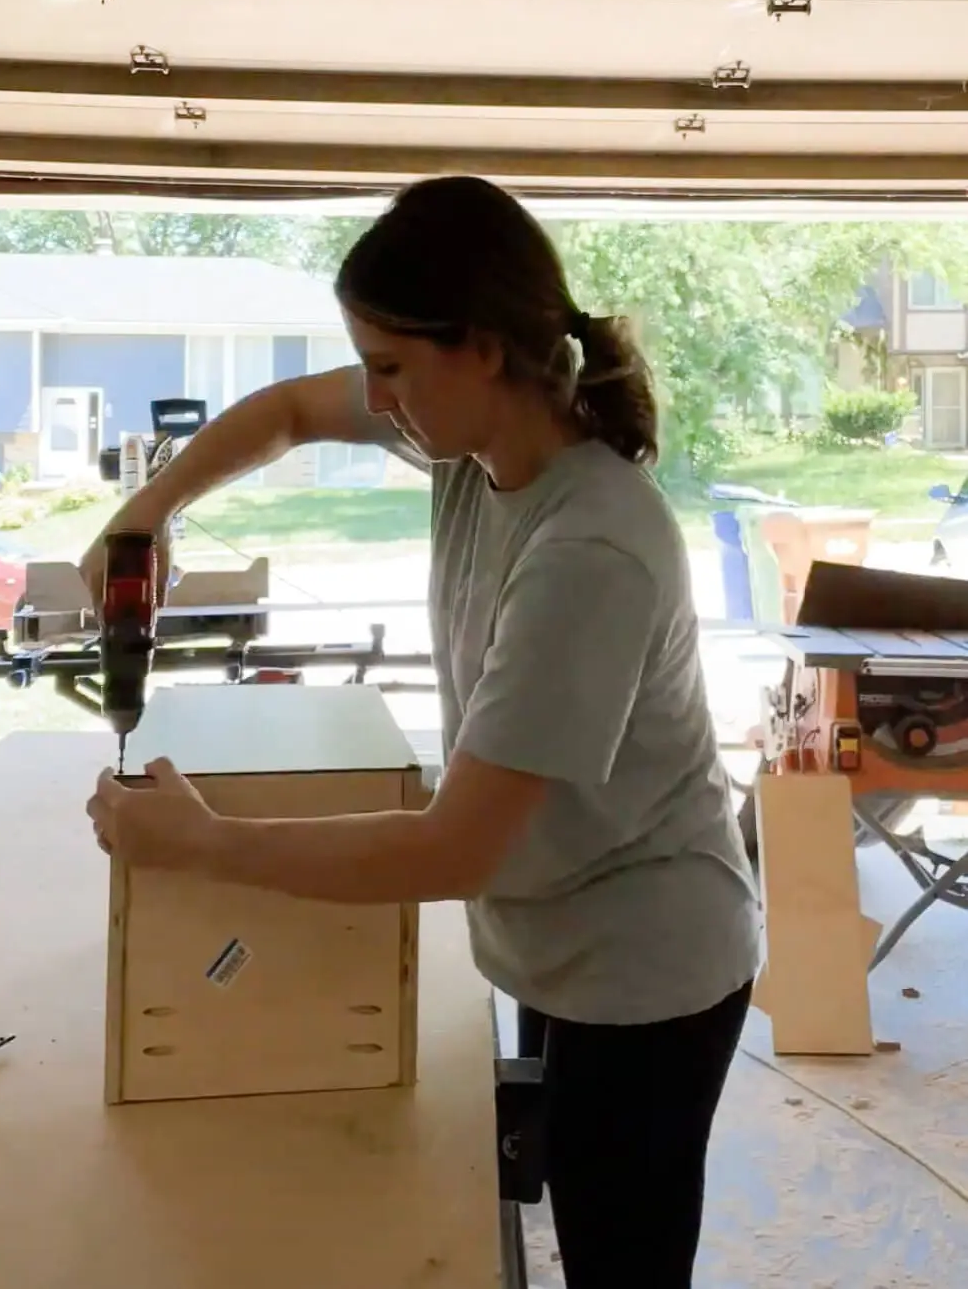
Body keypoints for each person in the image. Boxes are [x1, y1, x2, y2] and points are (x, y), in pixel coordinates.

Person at [83, 175, 760, 1289]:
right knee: (555, 1200)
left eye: (391, 366)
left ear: (484, 348)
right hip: (557, 928)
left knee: (620, 1260)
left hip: (648, 971)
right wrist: (149, 509)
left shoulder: (590, 548)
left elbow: (453, 848)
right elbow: (287, 413)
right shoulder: (469, 445)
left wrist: (205, 840)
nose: (375, 394)